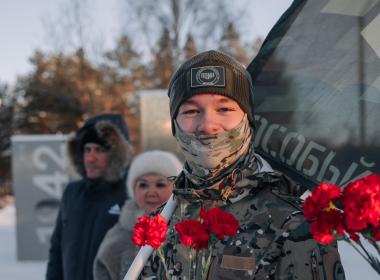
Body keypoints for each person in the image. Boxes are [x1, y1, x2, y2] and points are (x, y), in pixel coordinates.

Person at [140, 50, 346, 279]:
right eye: (191, 111)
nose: (207, 125)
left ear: (248, 119)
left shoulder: (294, 226)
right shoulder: (158, 224)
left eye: (224, 109)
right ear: (174, 125)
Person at [46, 113, 133, 280]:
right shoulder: (72, 192)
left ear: (117, 154)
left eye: (99, 150)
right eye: (87, 150)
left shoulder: (131, 194)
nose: (90, 158)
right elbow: (56, 249)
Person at [93, 150, 182, 280]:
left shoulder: (190, 232)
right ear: (133, 190)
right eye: (143, 185)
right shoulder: (117, 238)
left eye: (160, 184)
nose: (151, 192)